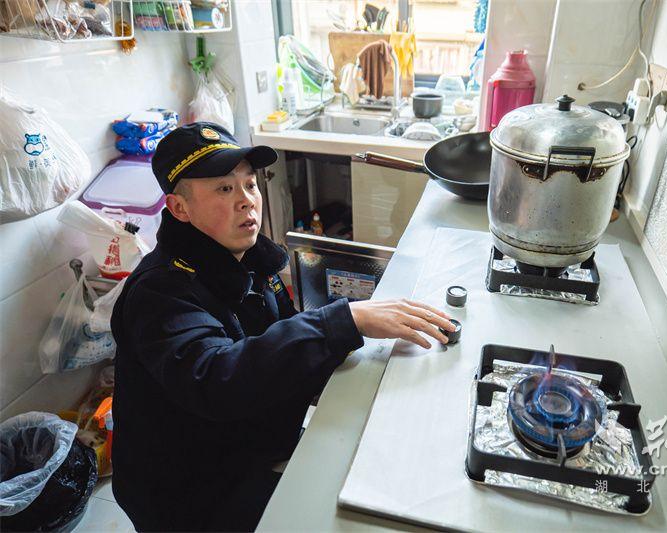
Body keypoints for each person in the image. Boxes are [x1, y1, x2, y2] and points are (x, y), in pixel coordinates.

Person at [110, 122, 455, 532]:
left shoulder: (248, 258)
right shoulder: (160, 292)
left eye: (250, 185)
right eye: (225, 189)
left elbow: (282, 335)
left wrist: (355, 359)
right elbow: (215, 378)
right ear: (180, 208)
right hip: (189, 489)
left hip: (247, 447)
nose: (246, 201)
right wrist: (344, 320)